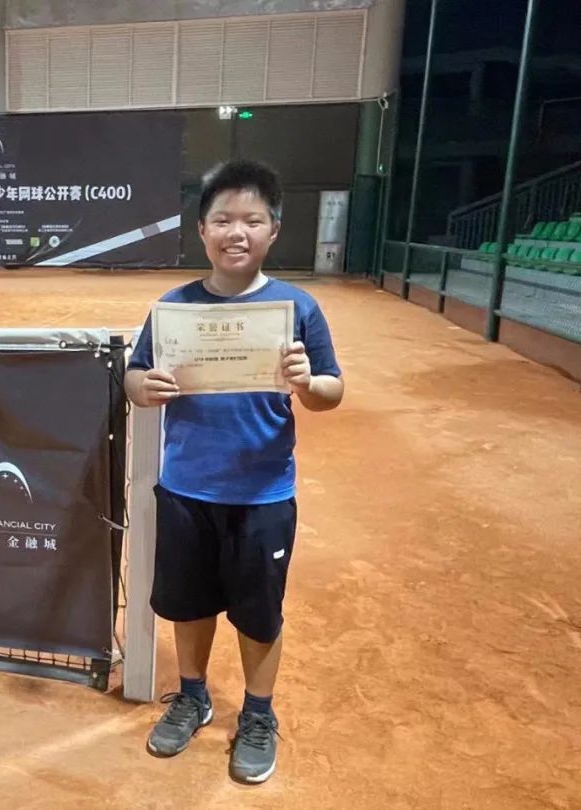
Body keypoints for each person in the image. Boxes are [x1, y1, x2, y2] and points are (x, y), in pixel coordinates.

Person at [125, 160, 343, 782]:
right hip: (186, 488)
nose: (236, 232)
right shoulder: (173, 308)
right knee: (188, 605)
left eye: (252, 220)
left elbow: (332, 390)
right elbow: (135, 377)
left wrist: (308, 383)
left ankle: (258, 713)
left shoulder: (297, 307)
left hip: (262, 494)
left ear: (274, 230)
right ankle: (192, 696)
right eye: (222, 219)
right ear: (202, 230)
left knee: (259, 613)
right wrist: (146, 386)